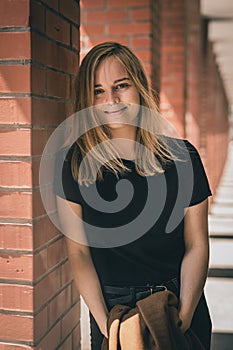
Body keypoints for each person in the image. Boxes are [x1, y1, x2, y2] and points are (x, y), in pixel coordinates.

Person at [54, 42, 212, 349]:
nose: (110, 100)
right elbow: (79, 254)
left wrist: (186, 311)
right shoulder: (73, 164)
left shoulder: (183, 157)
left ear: (138, 86)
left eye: (121, 85)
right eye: (98, 90)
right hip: (114, 309)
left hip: (178, 296)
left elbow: (197, 243)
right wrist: (105, 324)